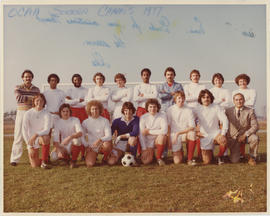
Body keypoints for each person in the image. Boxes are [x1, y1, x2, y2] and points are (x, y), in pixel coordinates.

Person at [10, 69, 40, 166]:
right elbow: (19, 98)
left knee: (31, 135)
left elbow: (38, 101)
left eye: (29, 76)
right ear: (23, 78)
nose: (28, 78)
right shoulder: (17, 87)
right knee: (18, 136)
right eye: (26, 77)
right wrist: (33, 99)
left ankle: (33, 157)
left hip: (32, 113)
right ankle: (14, 159)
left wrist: (33, 100)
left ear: (32, 78)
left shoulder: (36, 89)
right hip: (21, 112)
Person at [193, 89, 228, 165]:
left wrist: (223, 133)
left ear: (211, 98)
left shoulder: (216, 107)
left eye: (208, 97)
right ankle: (210, 155)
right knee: (207, 162)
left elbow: (225, 120)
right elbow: (190, 120)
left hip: (216, 133)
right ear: (200, 99)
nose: (206, 99)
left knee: (223, 140)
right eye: (204, 97)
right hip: (204, 135)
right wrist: (196, 131)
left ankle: (220, 157)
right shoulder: (197, 108)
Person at [225, 93, 259, 165]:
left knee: (255, 138)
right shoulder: (228, 111)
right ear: (233, 101)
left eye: (241, 99)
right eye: (236, 100)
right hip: (233, 138)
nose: (239, 101)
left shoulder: (250, 111)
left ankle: (252, 157)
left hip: (245, 136)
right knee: (235, 161)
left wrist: (245, 135)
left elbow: (255, 126)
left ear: (244, 100)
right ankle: (240, 155)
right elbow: (223, 124)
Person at [22, 94, 52, 169]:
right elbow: (24, 129)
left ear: (44, 102)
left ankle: (44, 162)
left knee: (46, 137)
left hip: (40, 138)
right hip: (31, 140)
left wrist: (36, 135)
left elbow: (47, 130)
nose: (39, 102)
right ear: (34, 101)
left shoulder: (47, 113)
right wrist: (28, 143)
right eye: (37, 100)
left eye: (41, 100)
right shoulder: (28, 113)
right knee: (34, 165)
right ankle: (44, 159)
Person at [167, 91, 196, 165]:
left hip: (184, 133)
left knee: (192, 134)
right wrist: (169, 139)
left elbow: (192, 126)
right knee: (177, 161)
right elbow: (168, 126)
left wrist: (179, 133)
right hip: (174, 135)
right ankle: (180, 150)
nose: (181, 100)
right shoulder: (170, 110)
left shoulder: (189, 110)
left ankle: (190, 159)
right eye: (179, 98)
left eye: (183, 98)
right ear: (175, 99)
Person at [133, 68, 158, 156]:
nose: (146, 76)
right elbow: (135, 98)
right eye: (144, 75)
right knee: (140, 130)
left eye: (147, 75)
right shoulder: (137, 87)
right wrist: (149, 96)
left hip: (150, 110)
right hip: (141, 110)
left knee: (151, 129)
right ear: (141, 76)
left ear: (149, 76)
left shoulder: (153, 86)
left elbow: (155, 96)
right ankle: (140, 151)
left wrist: (143, 95)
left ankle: (151, 150)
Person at [232, 73, 257, 157]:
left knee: (251, 136)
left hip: (248, 113)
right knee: (238, 132)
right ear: (238, 82)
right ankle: (240, 154)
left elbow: (252, 102)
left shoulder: (252, 91)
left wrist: (241, 104)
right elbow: (233, 103)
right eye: (240, 81)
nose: (242, 83)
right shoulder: (234, 92)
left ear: (247, 82)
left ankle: (252, 157)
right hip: (237, 113)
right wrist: (242, 103)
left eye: (244, 81)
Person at [82, 100, 112, 167]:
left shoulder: (105, 121)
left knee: (107, 144)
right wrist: (86, 146)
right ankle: (93, 156)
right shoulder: (85, 122)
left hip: (102, 145)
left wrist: (100, 140)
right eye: (93, 109)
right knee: (90, 164)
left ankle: (105, 159)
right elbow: (82, 136)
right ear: (89, 110)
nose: (95, 111)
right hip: (92, 147)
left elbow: (109, 136)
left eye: (96, 109)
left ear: (100, 110)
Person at [52, 103, 83, 168]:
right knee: (54, 157)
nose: (65, 113)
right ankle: (67, 158)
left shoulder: (75, 119)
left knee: (77, 140)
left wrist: (70, 137)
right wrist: (58, 149)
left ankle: (73, 161)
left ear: (70, 112)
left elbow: (80, 133)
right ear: (60, 112)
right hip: (64, 144)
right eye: (63, 111)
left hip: (72, 142)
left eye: (67, 111)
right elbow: (55, 139)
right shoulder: (58, 122)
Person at [65, 74, 88, 160]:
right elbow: (67, 101)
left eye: (78, 79)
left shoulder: (86, 90)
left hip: (82, 111)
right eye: (75, 80)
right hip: (72, 111)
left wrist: (73, 101)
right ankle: (71, 152)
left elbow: (86, 102)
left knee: (82, 132)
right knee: (72, 132)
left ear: (81, 80)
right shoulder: (69, 90)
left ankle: (83, 154)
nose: (77, 81)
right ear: (72, 81)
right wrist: (78, 100)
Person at [139, 99, 168, 166]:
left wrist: (149, 131)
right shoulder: (143, 117)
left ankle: (159, 158)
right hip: (148, 142)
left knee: (162, 136)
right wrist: (144, 149)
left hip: (157, 140)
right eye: (150, 107)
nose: (152, 109)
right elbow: (141, 134)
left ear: (157, 107)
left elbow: (164, 131)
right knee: (146, 162)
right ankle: (152, 154)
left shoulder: (162, 115)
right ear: (147, 108)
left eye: (154, 107)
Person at [209, 73, 231, 159]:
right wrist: (220, 101)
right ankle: (211, 153)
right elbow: (210, 103)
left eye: (219, 79)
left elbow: (228, 103)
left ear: (222, 80)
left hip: (223, 114)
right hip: (213, 115)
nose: (218, 81)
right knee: (213, 132)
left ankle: (223, 154)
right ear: (213, 81)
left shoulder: (226, 91)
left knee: (223, 133)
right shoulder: (211, 91)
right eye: (216, 80)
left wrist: (216, 103)